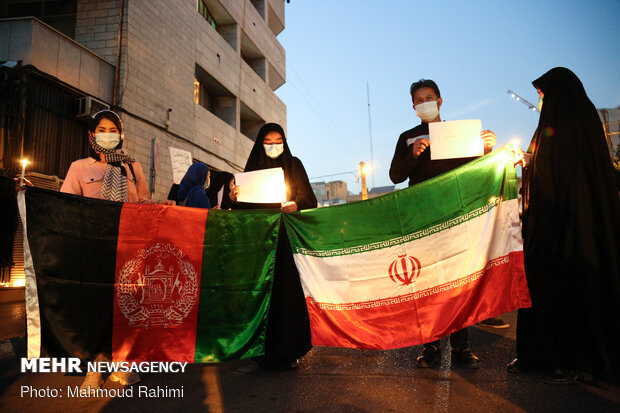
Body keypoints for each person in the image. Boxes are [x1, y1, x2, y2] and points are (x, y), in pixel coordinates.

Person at [510, 67, 620, 384]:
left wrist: (533, 163)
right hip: (549, 227)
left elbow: (568, 173)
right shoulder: (561, 123)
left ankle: (573, 360)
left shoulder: (574, 122)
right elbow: (548, 166)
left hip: (573, 229)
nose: (541, 101)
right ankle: (543, 356)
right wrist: (528, 161)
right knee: (542, 288)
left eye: (543, 95)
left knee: (570, 290)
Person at [389, 79, 498, 369]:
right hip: (423, 219)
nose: (424, 102)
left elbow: (478, 170)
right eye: (418, 99)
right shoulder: (407, 137)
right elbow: (395, 176)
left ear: (439, 102)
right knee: (429, 285)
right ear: (414, 107)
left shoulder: (458, 133)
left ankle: (462, 346)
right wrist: (412, 156)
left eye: (429, 97)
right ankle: (431, 346)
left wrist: (487, 149)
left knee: (459, 282)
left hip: (456, 217)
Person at [60, 110, 171, 389]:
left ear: (120, 135)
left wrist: (159, 206)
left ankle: (123, 365)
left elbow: (143, 205)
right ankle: (95, 368)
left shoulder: (132, 166)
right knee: (97, 308)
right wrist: (30, 193)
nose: (108, 135)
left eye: (113, 130)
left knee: (127, 308)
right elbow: (65, 207)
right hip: (94, 248)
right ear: (91, 134)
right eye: (102, 129)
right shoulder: (79, 168)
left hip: (129, 248)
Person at [230, 122, 317, 370]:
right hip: (260, 244)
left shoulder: (294, 165)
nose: (273, 146)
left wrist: (295, 204)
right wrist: (234, 199)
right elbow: (243, 209)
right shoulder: (251, 169)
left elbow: (309, 199)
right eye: (267, 142)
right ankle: (261, 352)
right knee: (261, 297)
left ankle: (290, 350)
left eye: (278, 141)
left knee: (288, 294)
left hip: (286, 242)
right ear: (259, 144)